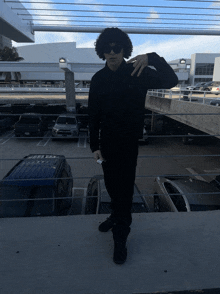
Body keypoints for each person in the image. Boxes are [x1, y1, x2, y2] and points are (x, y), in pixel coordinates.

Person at [88, 27, 178, 265]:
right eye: (107, 48)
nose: (112, 52)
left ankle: (120, 236)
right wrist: (93, 145)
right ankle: (115, 215)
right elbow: (93, 115)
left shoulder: (138, 72)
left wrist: (154, 57)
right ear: (101, 51)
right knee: (111, 184)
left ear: (125, 50)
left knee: (125, 190)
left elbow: (172, 80)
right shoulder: (98, 79)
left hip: (128, 144)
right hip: (106, 143)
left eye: (117, 48)